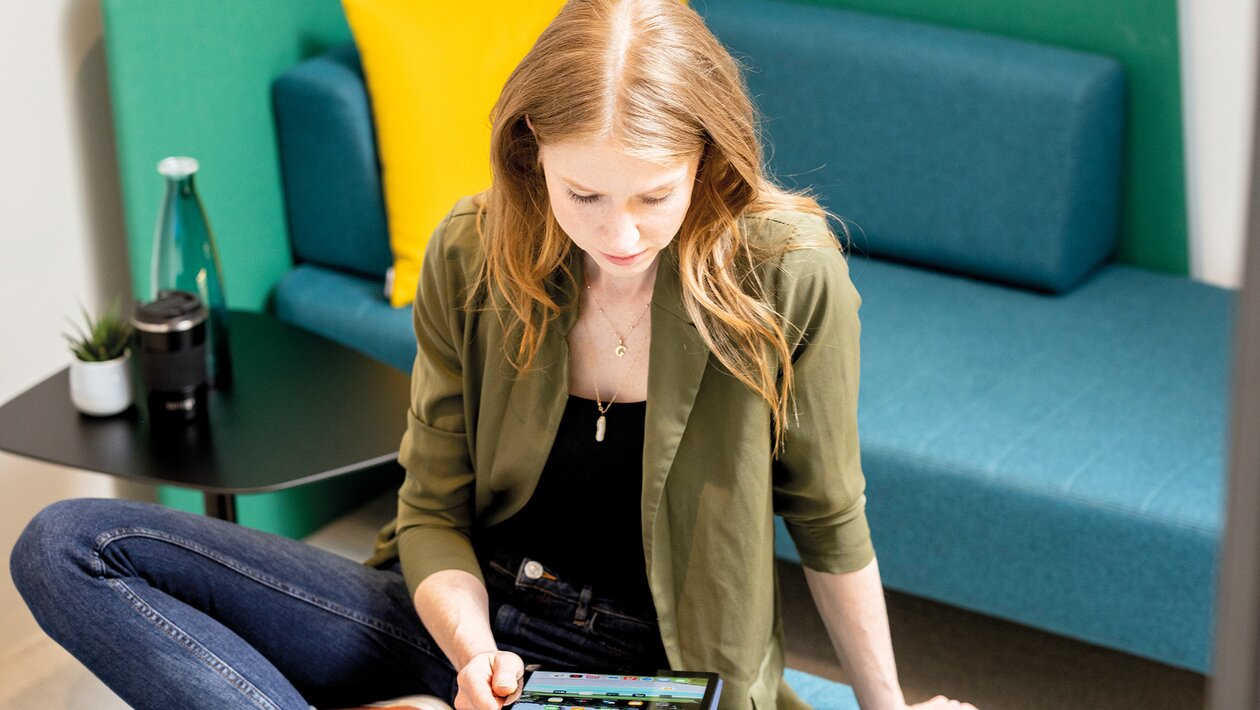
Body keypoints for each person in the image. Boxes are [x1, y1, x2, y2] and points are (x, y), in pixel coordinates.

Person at [10, 1, 978, 708]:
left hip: (649, 673)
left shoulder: (786, 272)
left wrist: (886, 706)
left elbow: (828, 515)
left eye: (653, 195)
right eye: (583, 195)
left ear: (710, 163)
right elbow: (431, 505)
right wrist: (475, 656)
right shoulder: (473, 249)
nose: (623, 234)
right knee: (68, 543)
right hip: (458, 621)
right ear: (531, 159)